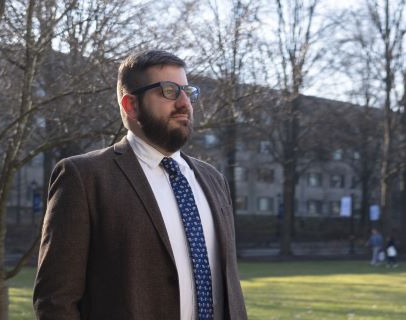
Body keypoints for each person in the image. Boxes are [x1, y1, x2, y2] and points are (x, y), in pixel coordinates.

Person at [33, 50, 247, 319]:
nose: (184, 103)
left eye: (188, 91)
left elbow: (229, 287)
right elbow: (55, 301)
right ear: (131, 105)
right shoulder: (84, 177)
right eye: (169, 91)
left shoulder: (213, 180)